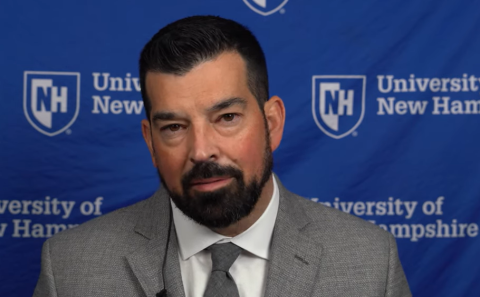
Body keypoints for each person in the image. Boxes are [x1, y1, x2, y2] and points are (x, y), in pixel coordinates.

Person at [33, 15, 411, 297]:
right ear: (150, 142)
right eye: (174, 127)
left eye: (226, 118)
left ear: (272, 123)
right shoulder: (69, 269)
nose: (201, 151)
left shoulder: (370, 263)